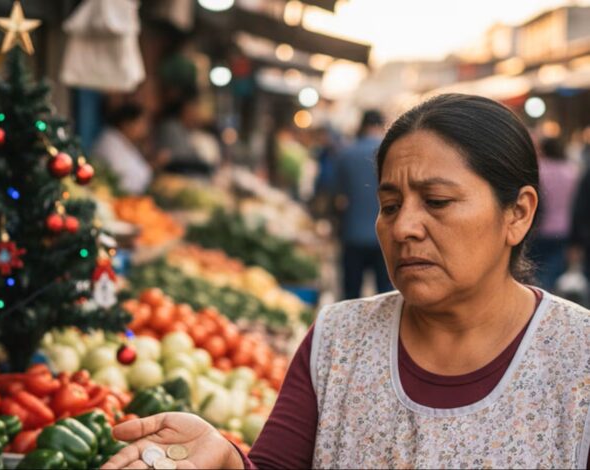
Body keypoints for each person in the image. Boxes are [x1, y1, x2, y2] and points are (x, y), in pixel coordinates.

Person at [101, 94, 590, 469]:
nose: (404, 228)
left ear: (518, 214)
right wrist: (228, 459)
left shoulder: (578, 358)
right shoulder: (339, 338)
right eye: (390, 205)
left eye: (437, 202)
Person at [332, 109, 392, 299]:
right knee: (386, 294)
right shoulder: (391, 153)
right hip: (386, 236)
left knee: (351, 294)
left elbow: (335, 193)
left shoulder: (346, 153)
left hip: (352, 233)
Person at [531, 137, 580, 289]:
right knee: (554, 269)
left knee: (536, 269)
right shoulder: (572, 170)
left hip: (540, 228)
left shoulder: (539, 169)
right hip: (564, 227)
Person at [92, 103, 153, 195]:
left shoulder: (125, 141)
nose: (145, 128)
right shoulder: (109, 142)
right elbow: (120, 178)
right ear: (126, 124)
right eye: (141, 123)